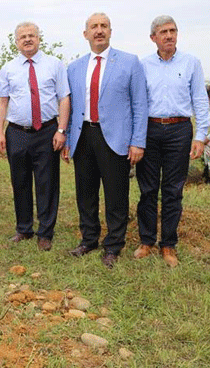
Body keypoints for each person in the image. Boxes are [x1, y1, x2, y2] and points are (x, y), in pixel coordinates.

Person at [63, 12, 148, 268]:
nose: (99, 30)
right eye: (94, 27)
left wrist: (138, 141)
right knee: (85, 193)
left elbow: (140, 104)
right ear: (85, 33)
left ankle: (113, 245)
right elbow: (71, 104)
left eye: (104, 26)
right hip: (83, 136)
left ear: (110, 31)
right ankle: (89, 240)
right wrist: (68, 139)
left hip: (116, 138)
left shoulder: (130, 62)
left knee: (115, 195)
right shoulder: (75, 67)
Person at [134, 16, 210, 267]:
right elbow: (136, 103)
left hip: (179, 130)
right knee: (147, 188)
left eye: (173, 30)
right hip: (150, 130)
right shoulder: (142, 65)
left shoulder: (191, 63)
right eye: (163, 32)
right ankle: (146, 241)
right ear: (153, 38)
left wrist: (201, 136)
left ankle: (168, 244)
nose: (169, 35)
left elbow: (200, 100)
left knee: (173, 190)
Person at [0, 22, 70, 251]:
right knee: (20, 182)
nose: (27, 39)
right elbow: (1, 101)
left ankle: (45, 232)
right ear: (16, 42)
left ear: (39, 39)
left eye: (31, 36)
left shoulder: (54, 65)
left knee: (47, 183)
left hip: (47, 131)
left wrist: (61, 130)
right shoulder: (8, 68)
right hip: (17, 132)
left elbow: (64, 98)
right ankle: (24, 229)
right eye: (22, 37)